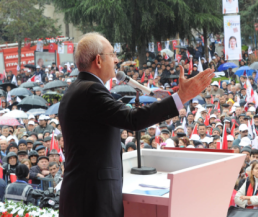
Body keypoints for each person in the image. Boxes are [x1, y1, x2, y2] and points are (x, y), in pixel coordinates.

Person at [58, 32, 214, 217]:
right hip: (93, 200)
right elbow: (133, 119)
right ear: (98, 60)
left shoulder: (76, 89)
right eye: (112, 55)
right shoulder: (92, 91)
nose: (117, 60)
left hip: (81, 194)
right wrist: (181, 98)